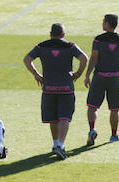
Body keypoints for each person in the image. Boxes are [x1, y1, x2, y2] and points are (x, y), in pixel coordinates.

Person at [24, 23, 87, 159]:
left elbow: (27, 59)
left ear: (50, 33)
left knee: (52, 118)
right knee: (64, 117)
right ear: (63, 35)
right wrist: (78, 74)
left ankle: (54, 143)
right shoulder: (70, 46)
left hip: (48, 88)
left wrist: (36, 74)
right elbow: (84, 58)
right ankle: (60, 145)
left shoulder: (42, 46)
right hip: (66, 87)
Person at [84, 13, 119, 145]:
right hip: (115, 78)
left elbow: (94, 58)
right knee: (115, 108)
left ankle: (92, 129)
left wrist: (87, 74)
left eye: (103, 21)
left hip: (99, 76)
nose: (102, 23)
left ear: (107, 23)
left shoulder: (98, 40)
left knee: (92, 106)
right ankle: (113, 135)